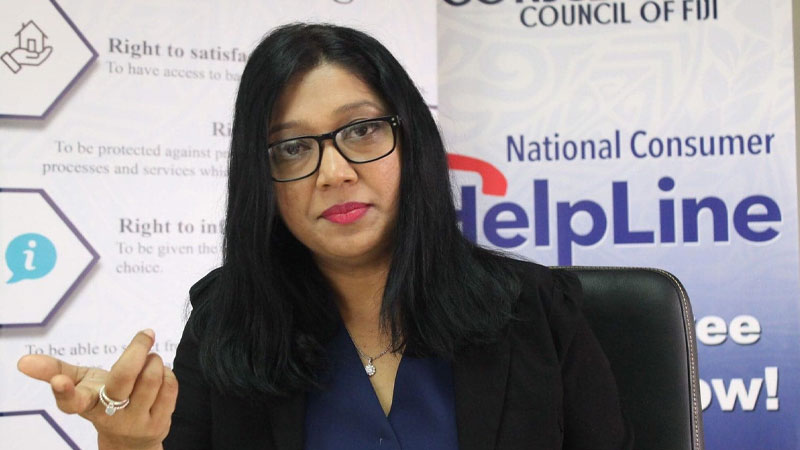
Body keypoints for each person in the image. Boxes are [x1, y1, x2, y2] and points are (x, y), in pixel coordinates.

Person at [18, 23, 632, 450]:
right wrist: (129, 443)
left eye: (361, 130)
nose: (334, 172)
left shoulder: (534, 309)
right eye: (292, 147)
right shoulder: (226, 322)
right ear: (261, 178)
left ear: (411, 141)